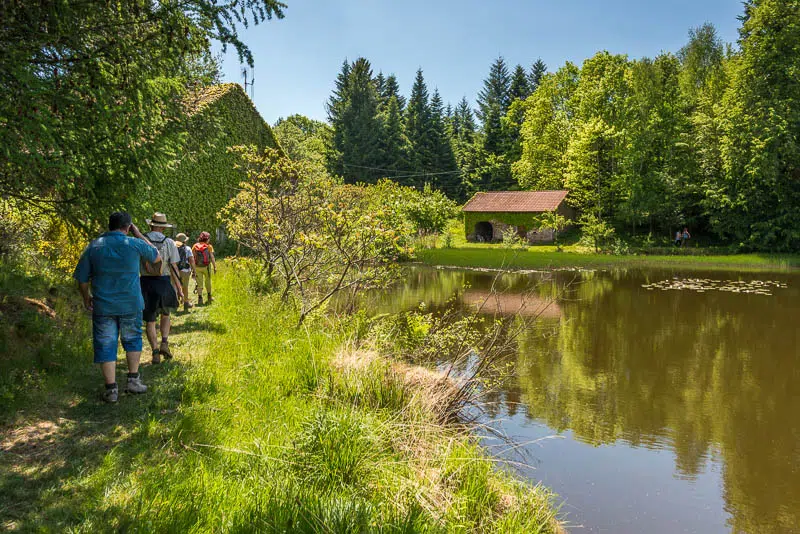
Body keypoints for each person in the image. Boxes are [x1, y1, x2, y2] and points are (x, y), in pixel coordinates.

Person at [73, 212, 160, 403]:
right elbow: (156, 256)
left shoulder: (94, 246)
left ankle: (111, 390)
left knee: (105, 344)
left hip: (103, 305)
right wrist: (139, 235)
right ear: (128, 227)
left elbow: (81, 278)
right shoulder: (134, 244)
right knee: (133, 339)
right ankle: (133, 380)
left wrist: (86, 298)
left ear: (109, 225)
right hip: (130, 303)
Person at [140, 212, 183, 364]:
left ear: (151, 225)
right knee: (166, 314)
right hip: (164, 282)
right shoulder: (169, 242)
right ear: (163, 228)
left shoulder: (141, 240)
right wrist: (180, 288)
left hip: (146, 282)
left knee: (150, 320)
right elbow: (174, 267)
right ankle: (164, 342)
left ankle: (155, 351)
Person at [192, 231, 217, 305]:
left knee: (199, 283)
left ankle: (200, 298)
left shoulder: (195, 246)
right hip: (206, 267)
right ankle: (209, 297)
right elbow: (212, 257)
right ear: (207, 239)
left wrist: (192, 269)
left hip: (197, 267)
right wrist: (215, 266)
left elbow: (192, 258)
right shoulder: (209, 246)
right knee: (208, 281)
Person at [174, 233, 197, 313]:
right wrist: (194, 270)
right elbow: (191, 260)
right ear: (185, 241)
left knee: (175, 286)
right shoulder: (187, 248)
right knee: (185, 287)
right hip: (185, 271)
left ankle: (175, 303)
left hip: (174, 270)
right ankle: (186, 303)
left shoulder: (173, 248)